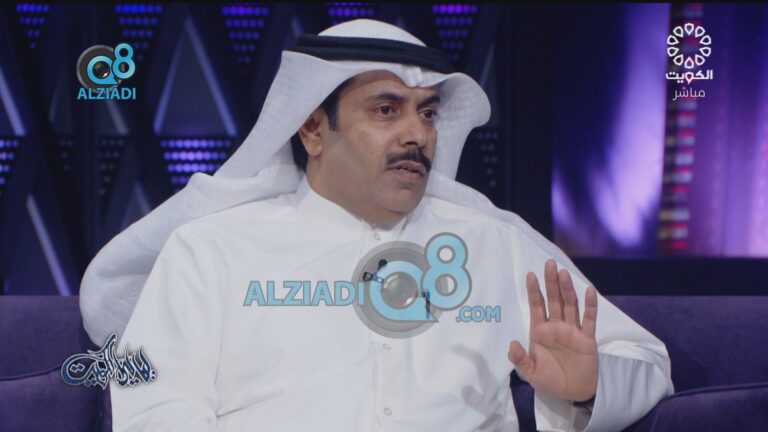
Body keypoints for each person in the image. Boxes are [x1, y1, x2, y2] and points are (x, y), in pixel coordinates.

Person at [80, 19, 674, 431]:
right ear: (313, 129)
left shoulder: (493, 243)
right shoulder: (212, 250)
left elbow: (644, 358)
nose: (417, 134)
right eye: (386, 109)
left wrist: (586, 388)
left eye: (427, 113)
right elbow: (157, 408)